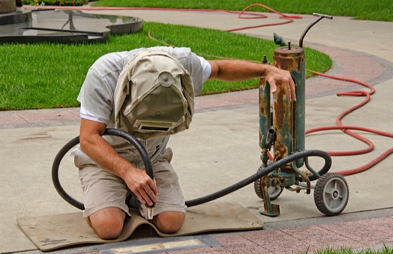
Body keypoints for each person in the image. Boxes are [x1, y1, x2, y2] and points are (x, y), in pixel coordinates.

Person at [74, 46, 295, 240]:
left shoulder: (181, 66)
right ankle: (116, 197)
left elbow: (219, 69)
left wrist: (265, 70)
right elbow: (89, 139)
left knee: (171, 222)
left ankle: (133, 198)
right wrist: (127, 173)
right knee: (109, 227)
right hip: (106, 161)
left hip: (152, 157)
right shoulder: (104, 75)